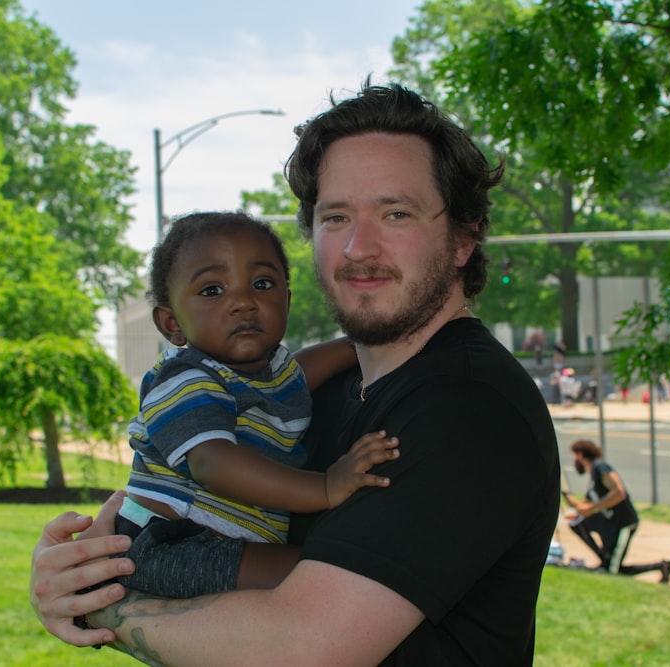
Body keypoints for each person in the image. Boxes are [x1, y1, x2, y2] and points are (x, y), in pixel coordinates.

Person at [30, 81, 560, 666]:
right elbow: (173, 484)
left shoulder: (466, 409)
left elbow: (298, 648)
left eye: (396, 212)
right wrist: (84, 565)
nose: (359, 247)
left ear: (463, 239)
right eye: (336, 217)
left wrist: (101, 606)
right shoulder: (321, 391)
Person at [112, 211, 399, 599]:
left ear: (287, 300)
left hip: (219, 542)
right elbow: (212, 463)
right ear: (171, 323)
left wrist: (362, 344)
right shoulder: (184, 378)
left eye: (262, 284)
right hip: (169, 543)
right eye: (212, 290)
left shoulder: (271, 370)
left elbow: (299, 374)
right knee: (330, 578)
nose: (244, 302)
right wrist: (325, 487)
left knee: (331, 578)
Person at [562, 440, 670, 583]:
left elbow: (619, 492)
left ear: (579, 455)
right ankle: (660, 566)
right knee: (577, 524)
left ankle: (661, 565)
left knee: (610, 571)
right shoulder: (593, 481)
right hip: (610, 525)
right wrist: (565, 492)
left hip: (623, 523)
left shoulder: (600, 467)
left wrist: (594, 507)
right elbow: (583, 509)